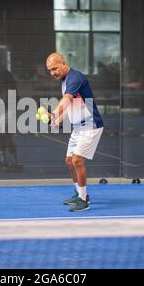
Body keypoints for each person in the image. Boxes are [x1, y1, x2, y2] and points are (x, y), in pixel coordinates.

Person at [45, 53, 104, 212]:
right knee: (69, 161)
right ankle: (79, 193)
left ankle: (84, 200)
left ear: (64, 63)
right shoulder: (64, 81)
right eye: (50, 70)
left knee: (77, 160)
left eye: (55, 69)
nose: (53, 73)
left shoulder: (75, 78)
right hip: (78, 127)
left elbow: (65, 101)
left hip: (91, 125)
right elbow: (70, 105)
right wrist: (58, 120)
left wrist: (54, 114)